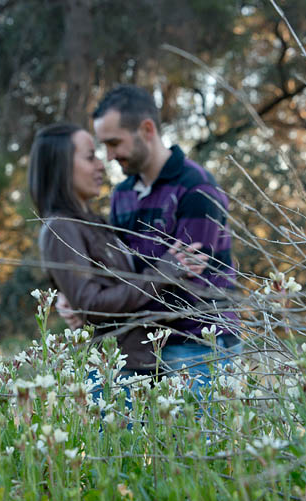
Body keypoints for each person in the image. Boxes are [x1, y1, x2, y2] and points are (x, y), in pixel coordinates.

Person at [61, 85, 240, 394]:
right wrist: (81, 298)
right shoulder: (123, 195)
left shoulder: (196, 188)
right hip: (145, 348)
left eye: (114, 143)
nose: (109, 156)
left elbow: (183, 287)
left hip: (200, 346)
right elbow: (120, 270)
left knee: (197, 443)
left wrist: (101, 307)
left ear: (146, 130)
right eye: (104, 145)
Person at [29, 122, 206, 379]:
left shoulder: (93, 223)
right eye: (90, 157)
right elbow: (92, 306)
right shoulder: (61, 228)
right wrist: (164, 272)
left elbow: (109, 298)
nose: (101, 164)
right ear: (60, 168)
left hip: (141, 367)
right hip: (116, 374)